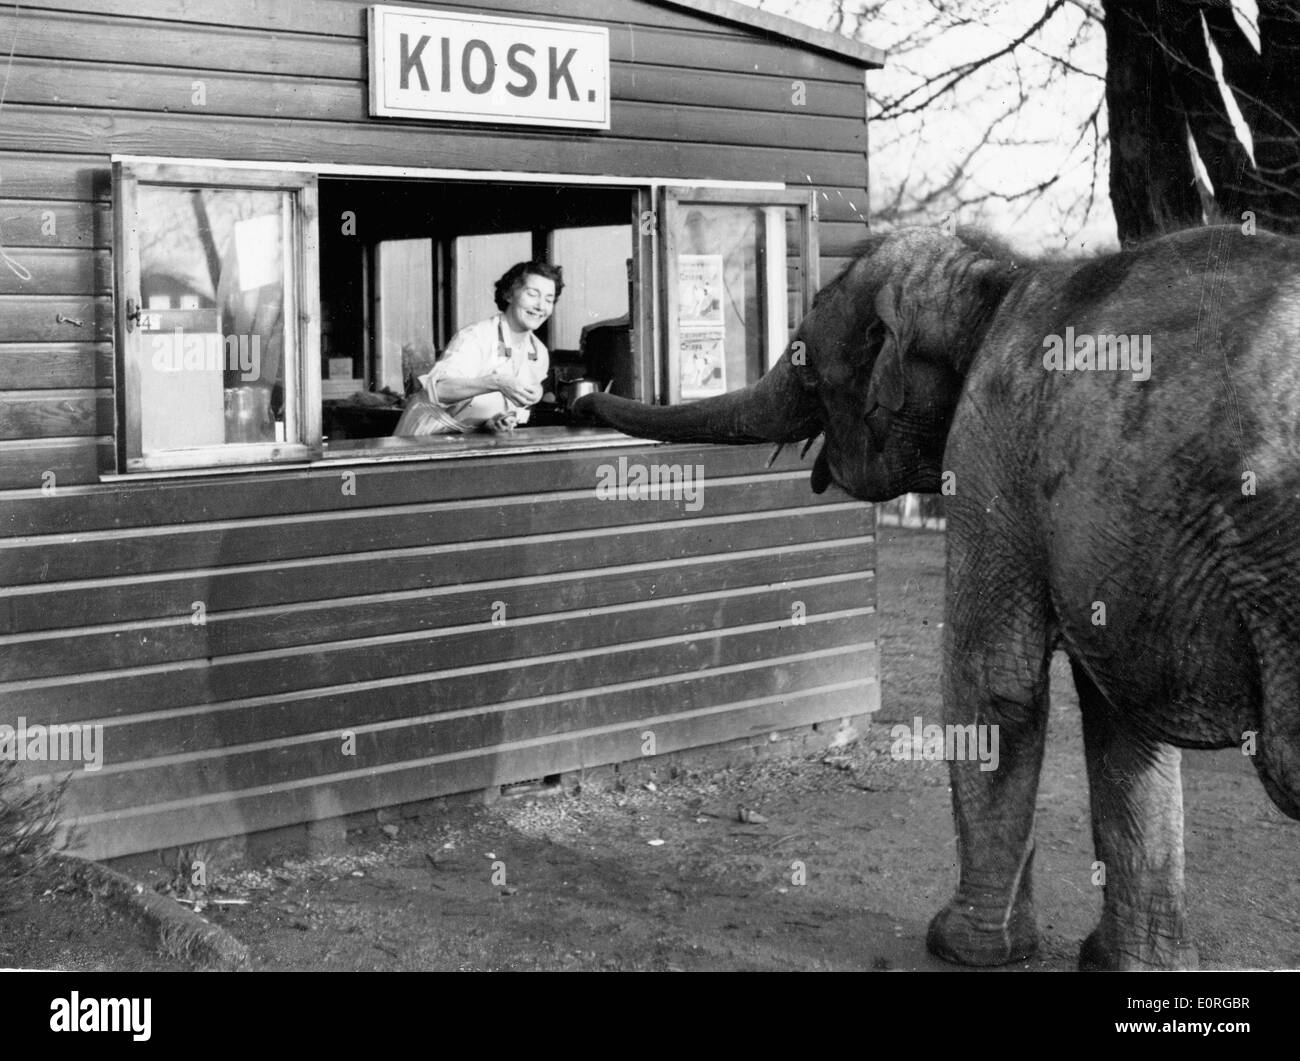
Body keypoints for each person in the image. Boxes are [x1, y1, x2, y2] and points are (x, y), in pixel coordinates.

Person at [395, 261, 562, 436]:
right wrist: (497, 382)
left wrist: (496, 420)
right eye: (532, 294)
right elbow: (439, 390)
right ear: (509, 294)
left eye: (549, 299)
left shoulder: (538, 352)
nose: (541, 306)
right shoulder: (476, 337)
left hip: (467, 440)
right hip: (423, 435)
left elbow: (495, 406)